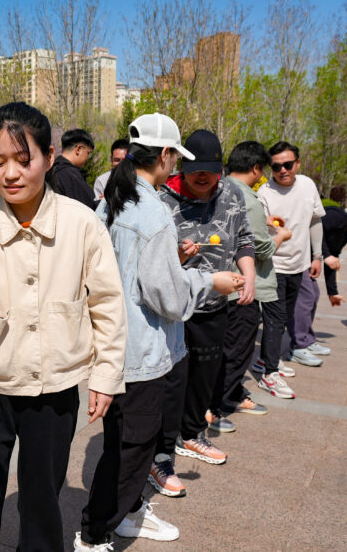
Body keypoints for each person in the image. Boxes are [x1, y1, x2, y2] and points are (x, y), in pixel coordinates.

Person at [0, 102, 126, 551]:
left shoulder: (82, 224)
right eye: (0, 162)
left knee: (42, 501)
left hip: (53, 390)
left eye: (24, 161)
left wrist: (105, 375)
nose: (11, 174)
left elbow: (107, 303)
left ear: (47, 156)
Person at [76, 115, 243, 549]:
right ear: (166, 155)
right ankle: (94, 535)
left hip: (115, 342)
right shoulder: (151, 211)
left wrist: (174, 261)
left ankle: (129, 513)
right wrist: (211, 282)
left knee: (124, 441)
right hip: (140, 350)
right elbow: (166, 298)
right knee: (132, 448)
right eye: (175, 158)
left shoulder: (114, 197)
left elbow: (127, 272)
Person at [157, 129, 255, 466]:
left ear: (221, 170)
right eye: (195, 169)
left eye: (210, 170)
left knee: (205, 374)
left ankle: (193, 433)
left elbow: (244, 238)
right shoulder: (162, 198)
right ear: (181, 167)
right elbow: (152, 262)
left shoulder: (231, 195)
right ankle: (162, 448)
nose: (203, 177)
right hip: (176, 308)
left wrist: (250, 275)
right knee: (173, 382)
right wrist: (179, 256)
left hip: (216, 304)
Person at [222, 141, 296, 403]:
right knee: (238, 349)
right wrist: (282, 236)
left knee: (224, 349)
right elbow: (261, 250)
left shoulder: (219, 187)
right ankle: (225, 402)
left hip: (220, 284)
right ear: (255, 168)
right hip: (243, 287)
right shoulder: (248, 199)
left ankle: (225, 395)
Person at [258, 142, 327, 367]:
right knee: (275, 318)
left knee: (291, 312)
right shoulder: (264, 192)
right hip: (273, 265)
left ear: (298, 163)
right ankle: (268, 364)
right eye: (276, 167)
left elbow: (315, 220)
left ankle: (286, 352)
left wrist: (318, 256)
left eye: (288, 164)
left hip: (300, 264)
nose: (282, 170)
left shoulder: (307, 185)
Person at [49, 128, 96, 209]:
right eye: (88, 153)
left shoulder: (52, 169)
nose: (88, 157)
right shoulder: (70, 175)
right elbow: (89, 207)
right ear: (78, 149)